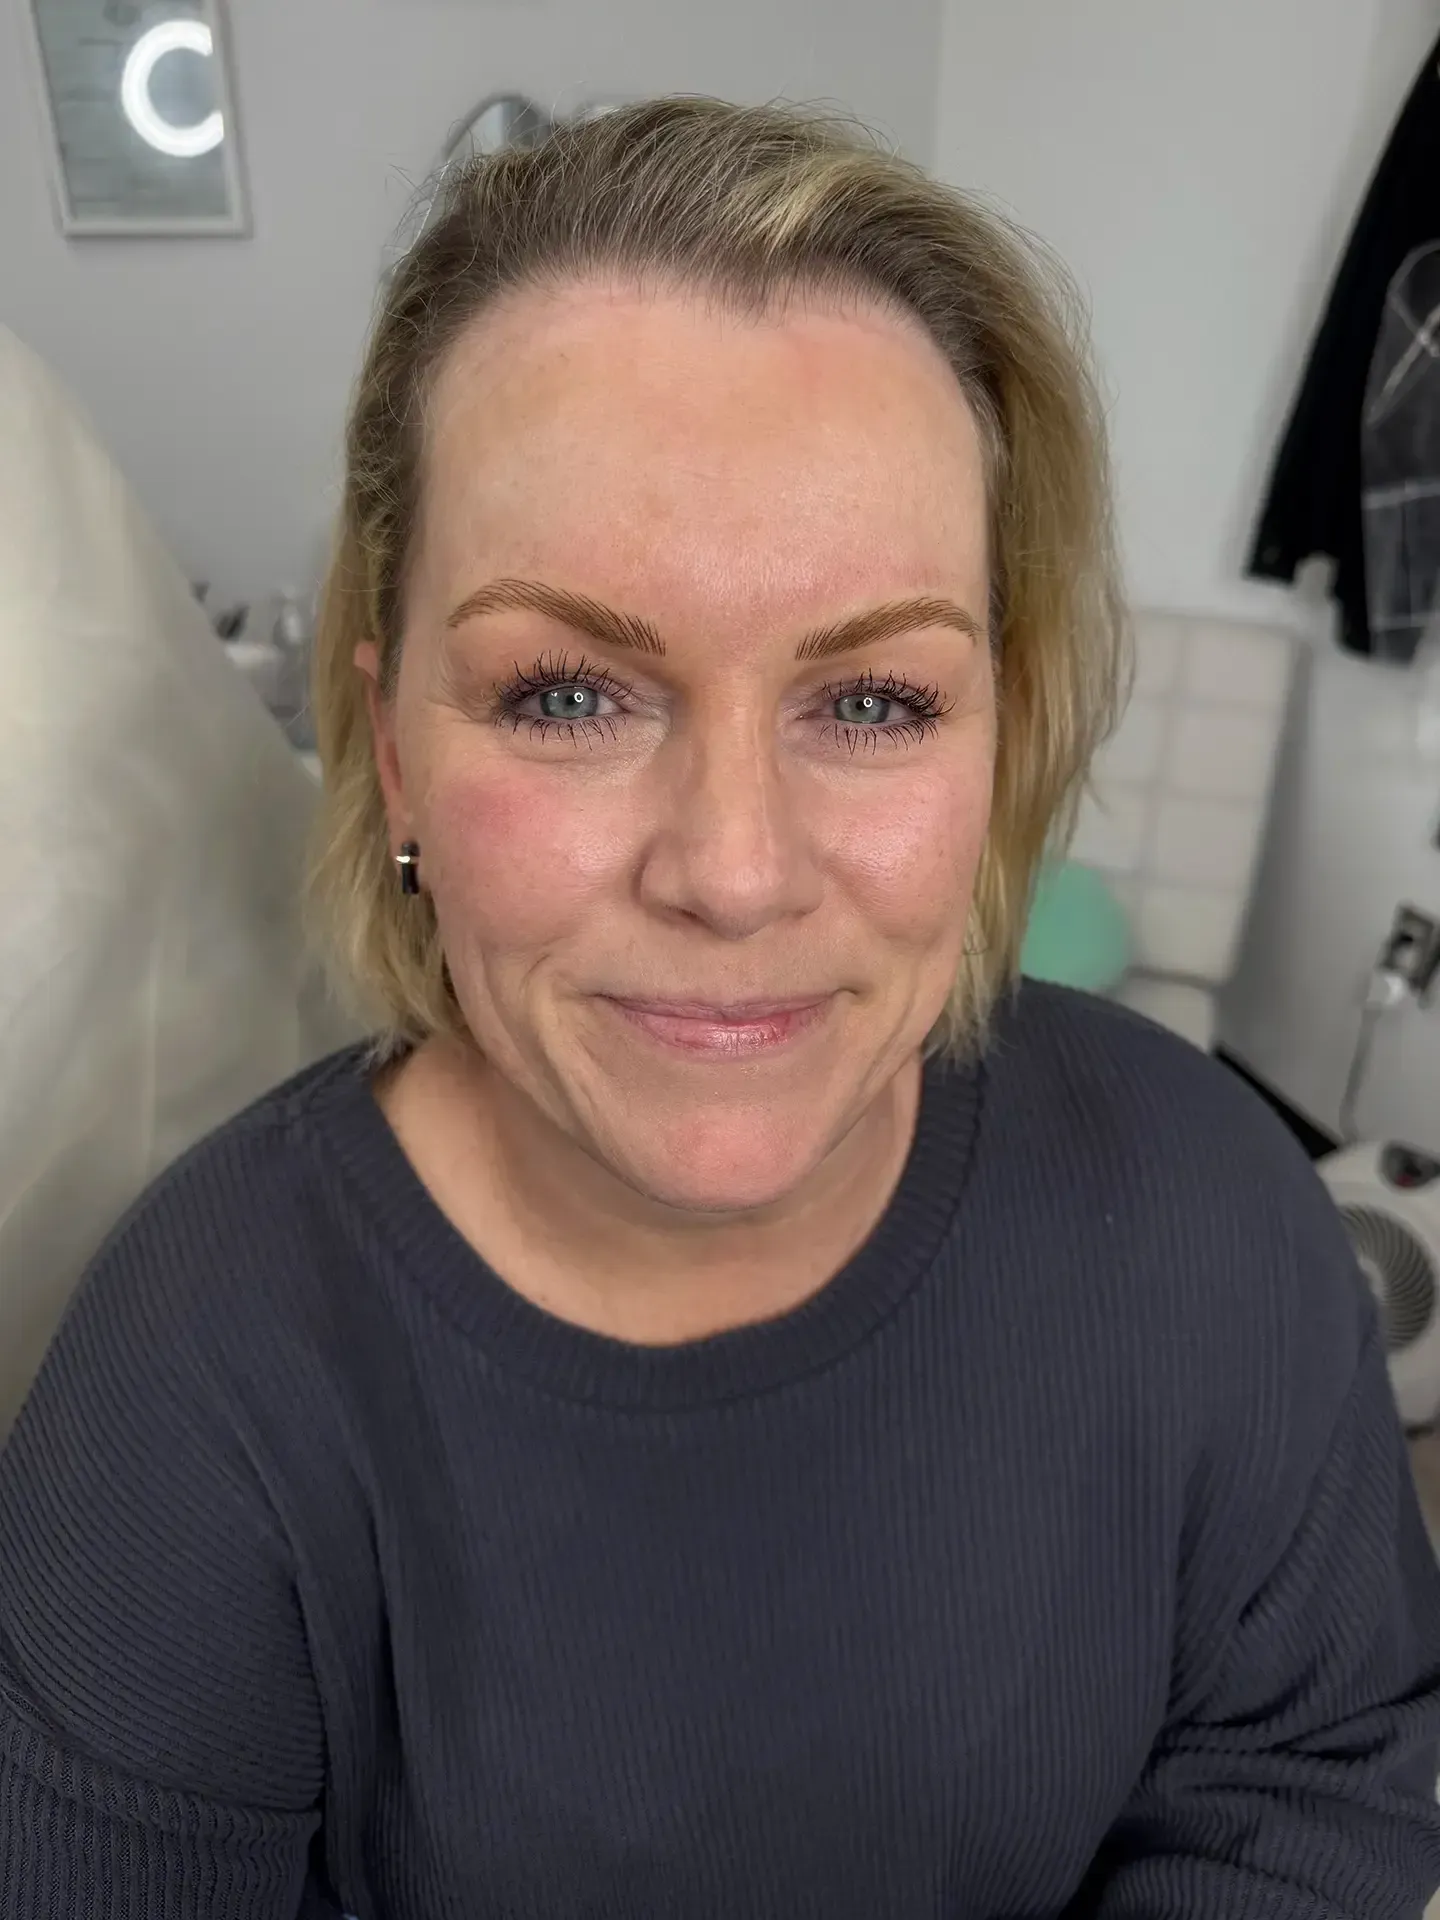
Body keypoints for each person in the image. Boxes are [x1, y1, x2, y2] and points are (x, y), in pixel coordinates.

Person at [1, 97, 1438, 1920]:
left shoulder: (1213, 1209)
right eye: (570, 696)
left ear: (1000, 735)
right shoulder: (184, 1391)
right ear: (391, 747)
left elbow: (1309, 1788)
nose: (738, 870)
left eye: (875, 704)